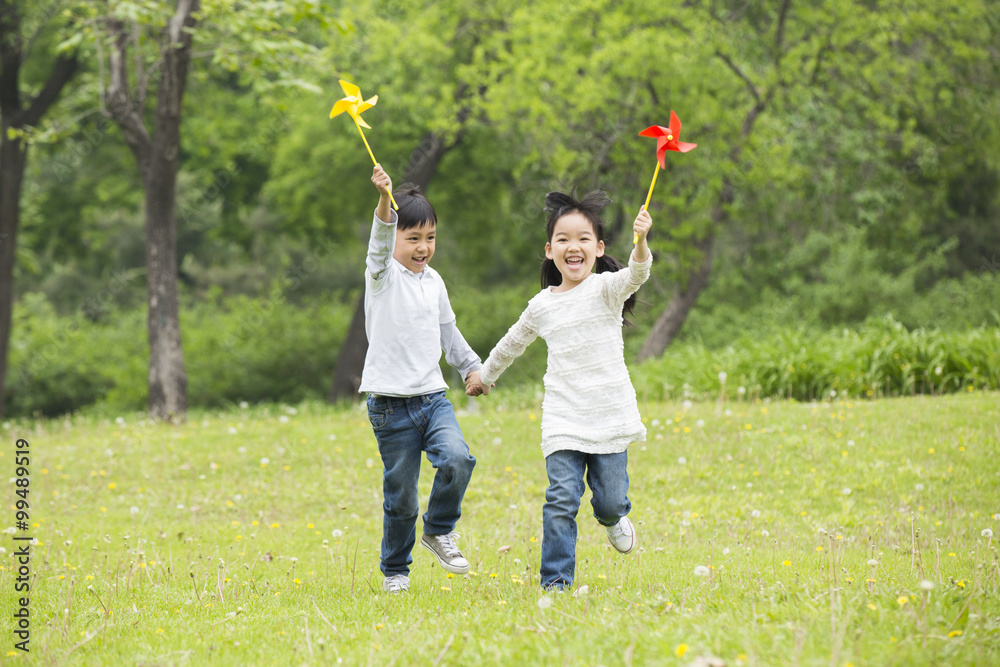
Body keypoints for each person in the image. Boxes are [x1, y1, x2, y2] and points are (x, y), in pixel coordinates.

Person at [465, 190, 652, 590]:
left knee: (610, 500)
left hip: (608, 414)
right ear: (550, 250)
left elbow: (637, 274)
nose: (574, 246)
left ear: (599, 249)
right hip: (564, 418)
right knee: (561, 500)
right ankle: (555, 582)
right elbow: (512, 342)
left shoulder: (606, 290)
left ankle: (614, 518)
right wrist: (485, 375)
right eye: (563, 239)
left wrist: (640, 242)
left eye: (584, 238)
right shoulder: (542, 306)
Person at [362, 164, 488, 594]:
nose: (423, 247)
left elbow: (448, 333)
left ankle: (438, 530)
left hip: (432, 398)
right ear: (396, 238)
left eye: (429, 238)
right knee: (401, 498)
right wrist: (384, 200)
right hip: (390, 406)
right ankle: (396, 570)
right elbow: (378, 245)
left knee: (457, 458)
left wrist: (472, 368)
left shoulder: (434, 282)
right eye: (412, 238)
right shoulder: (381, 277)